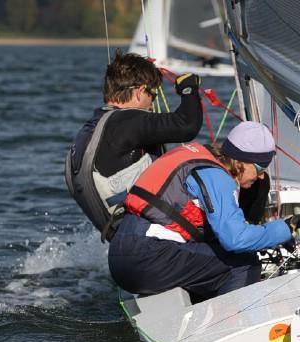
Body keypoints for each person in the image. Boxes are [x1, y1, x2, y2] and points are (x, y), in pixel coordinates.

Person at [108, 121, 300, 301]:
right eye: (260, 168)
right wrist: (283, 230)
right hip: (148, 258)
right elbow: (236, 239)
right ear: (242, 161)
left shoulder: (195, 157)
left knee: (210, 260)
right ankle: (229, 326)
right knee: (245, 262)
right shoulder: (218, 177)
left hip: (120, 256)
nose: (260, 176)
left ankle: (191, 316)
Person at [65, 49, 203, 240]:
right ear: (139, 92)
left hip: (122, 242)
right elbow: (187, 125)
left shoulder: (89, 130)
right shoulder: (126, 122)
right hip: (154, 242)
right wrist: (188, 89)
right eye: (152, 96)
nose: (152, 105)